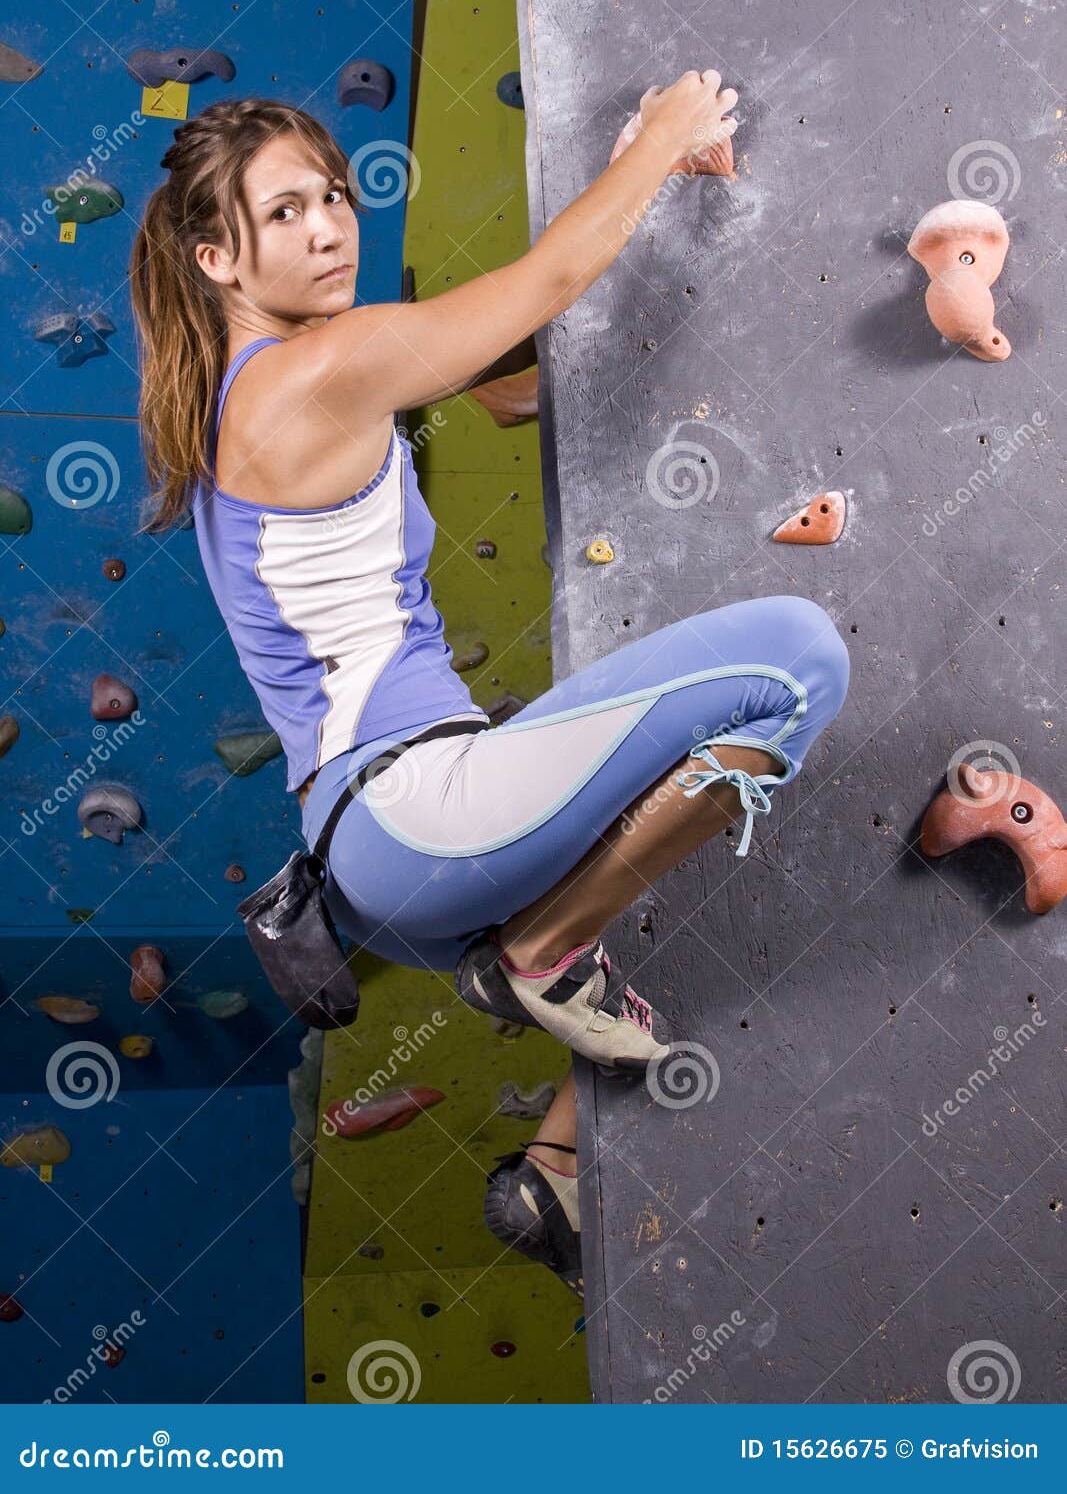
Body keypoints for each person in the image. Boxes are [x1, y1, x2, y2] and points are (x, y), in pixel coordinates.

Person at [130, 71, 850, 1301]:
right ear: (216, 257)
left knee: (651, 819)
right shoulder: (315, 373)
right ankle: (540, 954)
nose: (329, 225)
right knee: (794, 655)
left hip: (388, 865)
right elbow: (539, 288)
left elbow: (480, 344)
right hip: (420, 810)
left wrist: (606, 206)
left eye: (336, 196)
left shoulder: (250, 400)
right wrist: (665, 144)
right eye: (286, 211)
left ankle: (553, 1167)